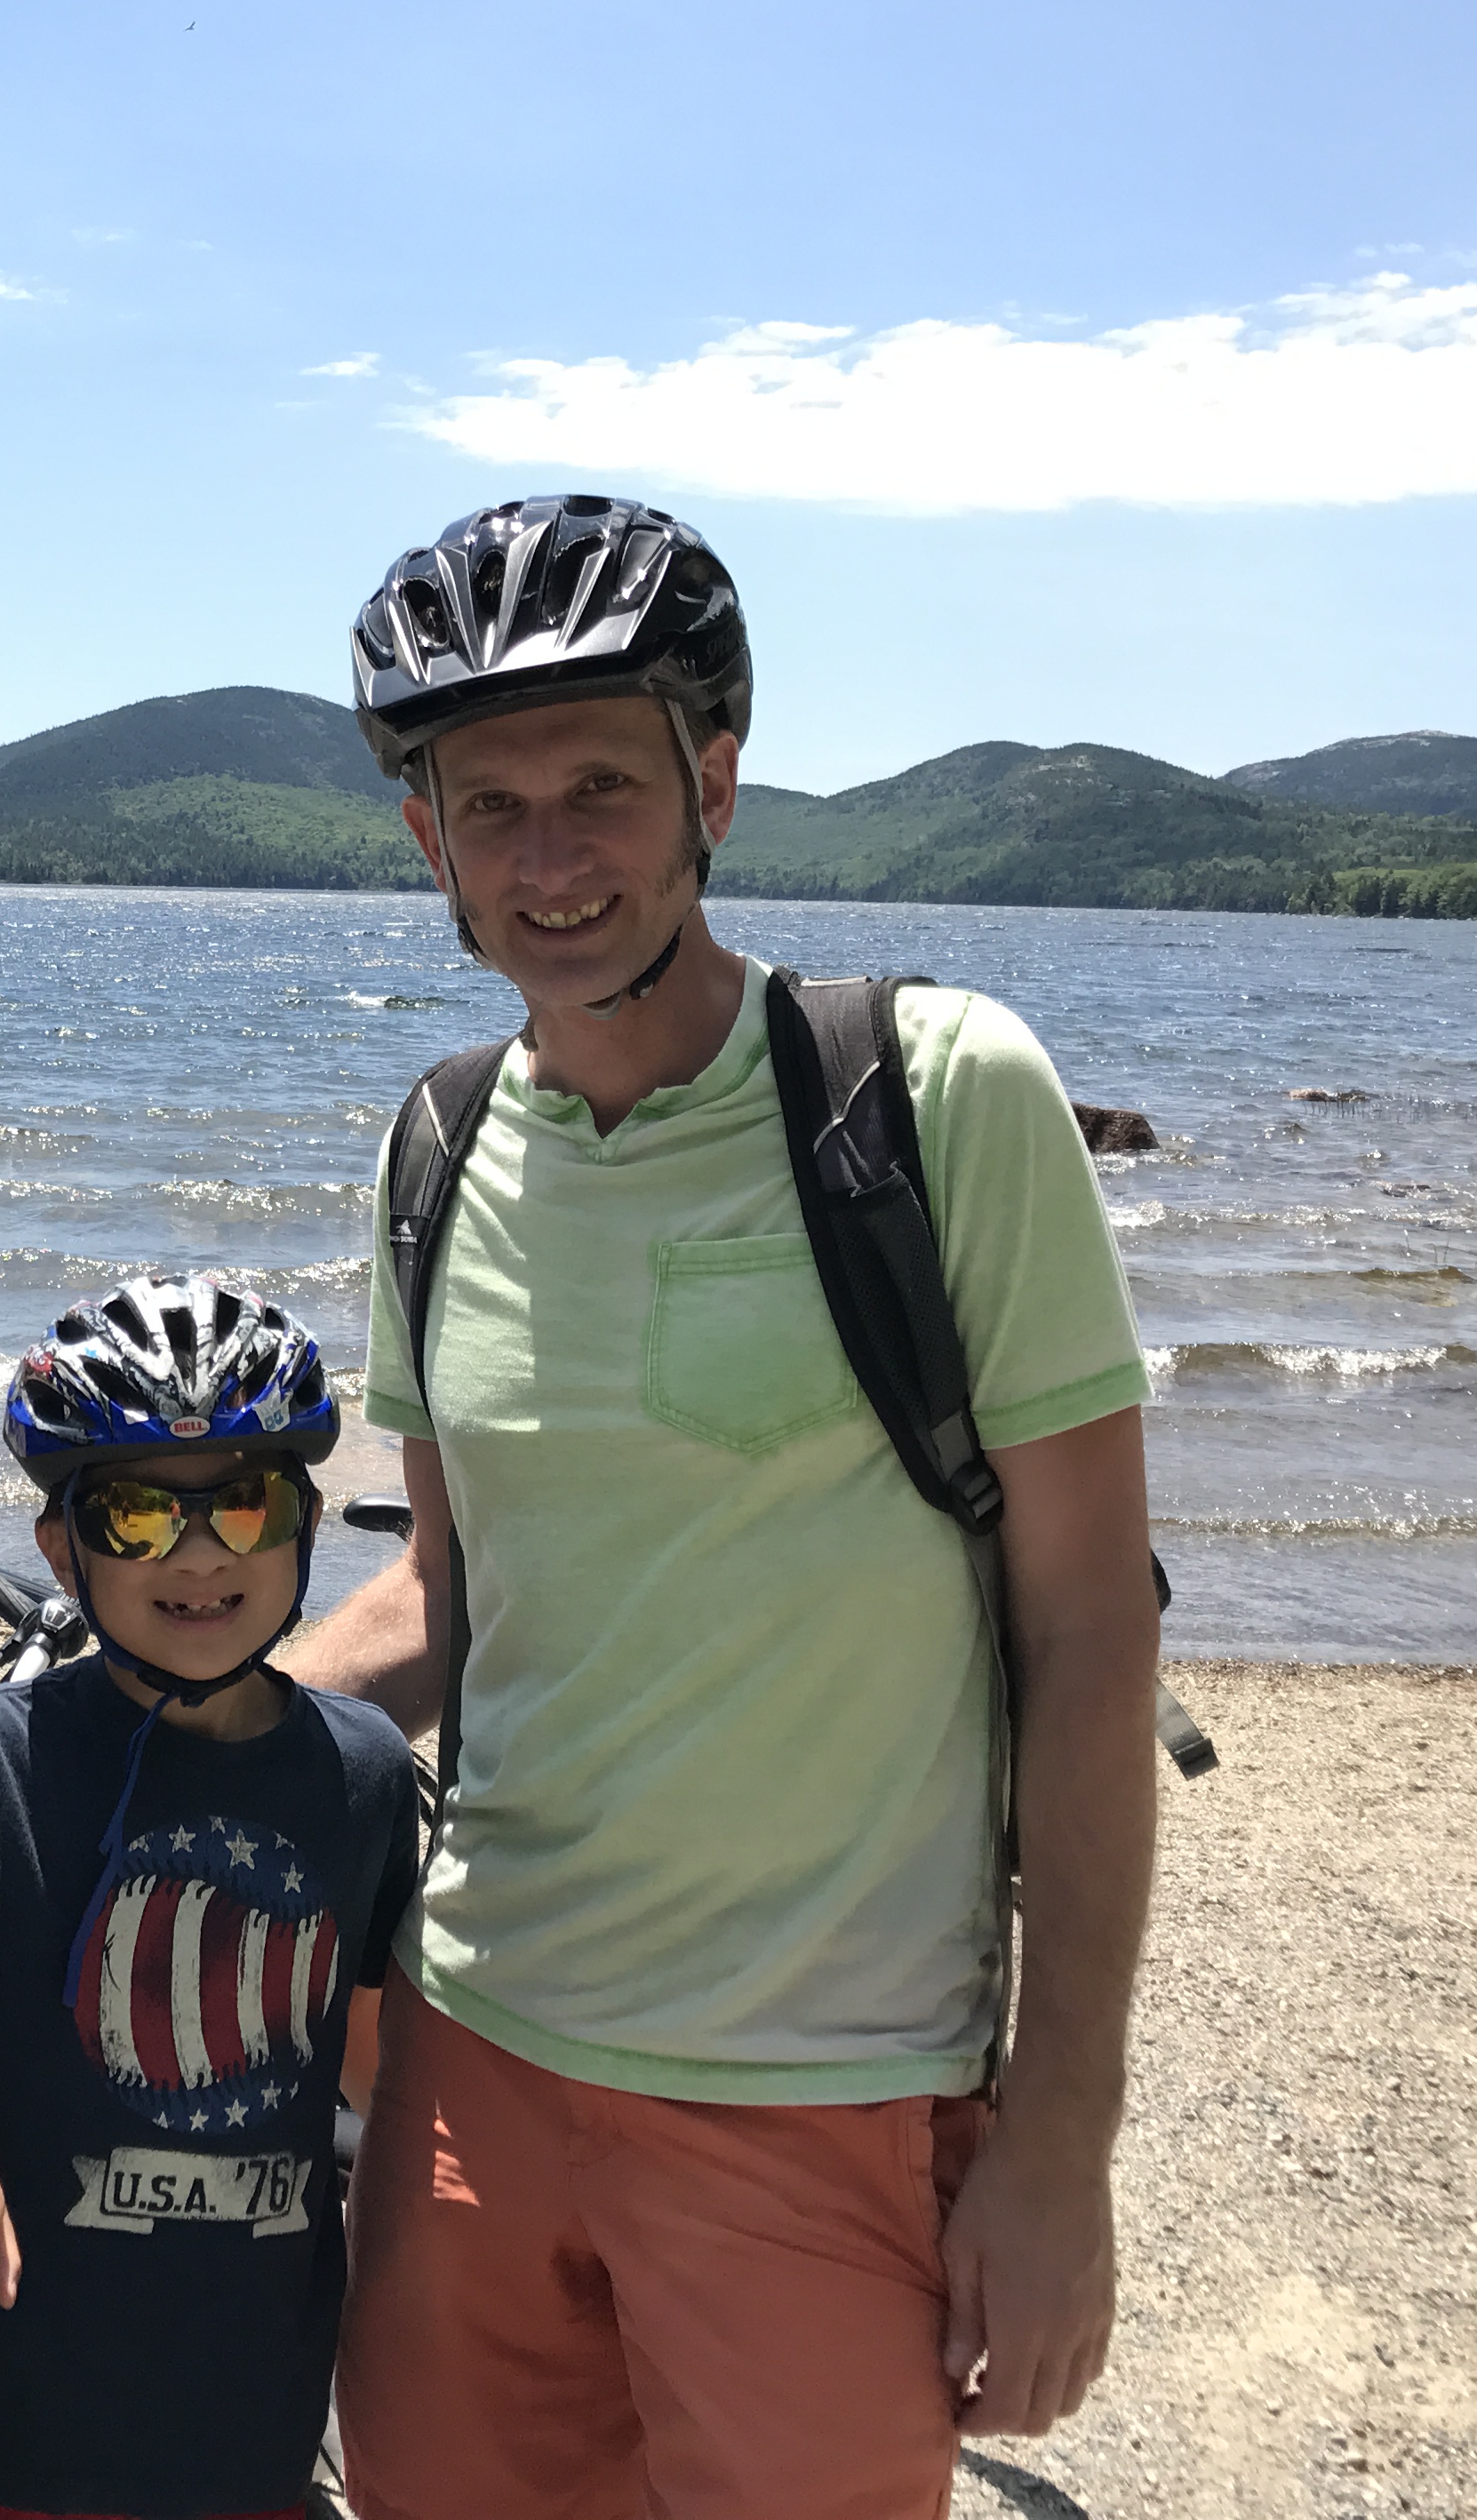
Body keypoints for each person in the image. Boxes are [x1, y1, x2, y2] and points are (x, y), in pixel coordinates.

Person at [297, 497, 1164, 2520]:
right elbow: (449, 1593)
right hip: (472, 2067)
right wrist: (140, 1736)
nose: (548, 860)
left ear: (715, 782)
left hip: (826, 2093)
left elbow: (1090, 1631)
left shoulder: (932, 1098)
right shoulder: (432, 1148)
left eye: (602, 787)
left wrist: (1058, 2144)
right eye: (485, 806)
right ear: (424, 838)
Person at [0, 1275, 417, 2520]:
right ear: (61, 1544)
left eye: (243, 1508)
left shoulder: (366, 1772)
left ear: (306, 1522)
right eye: (133, 1518)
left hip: (256, 2416)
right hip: (7, 2413)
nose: (192, 1556)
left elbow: (382, 2079)